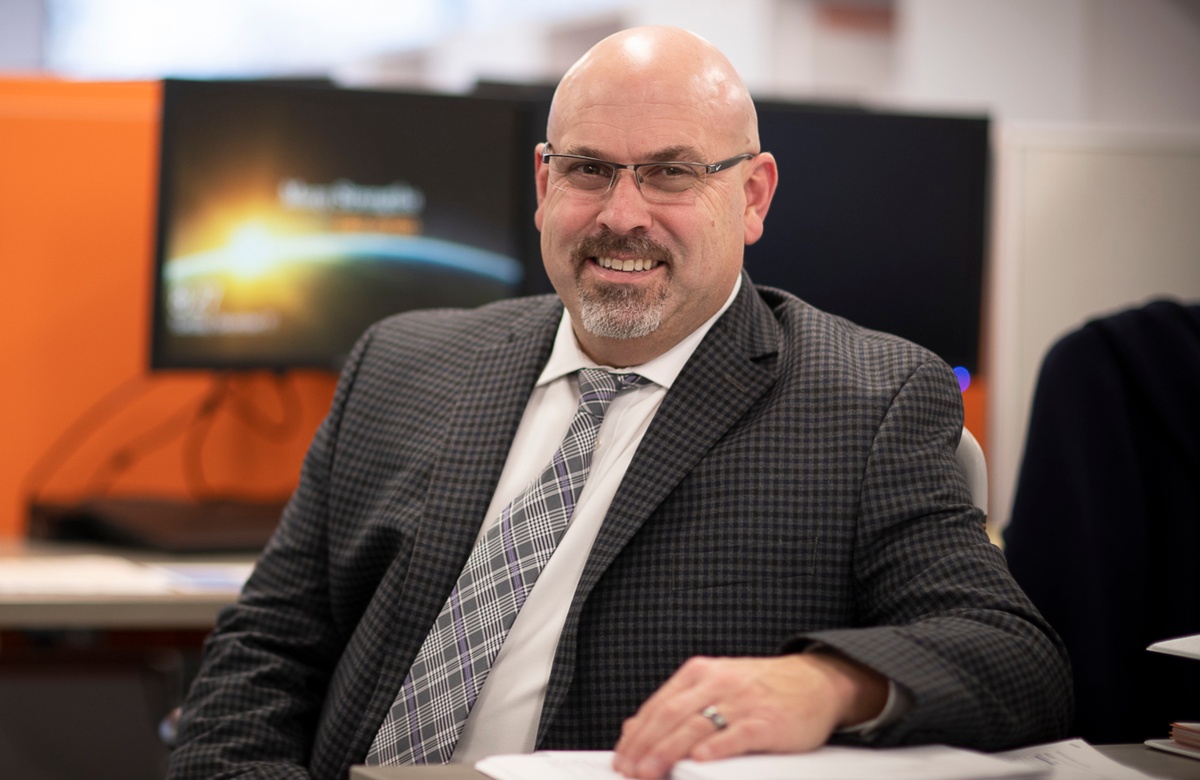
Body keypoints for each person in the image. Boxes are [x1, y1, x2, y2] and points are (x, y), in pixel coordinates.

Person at [167, 26, 1071, 780]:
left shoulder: (866, 401)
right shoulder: (403, 362)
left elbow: (1016, 658)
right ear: (543, 184)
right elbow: (264, 653)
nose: (623, 214)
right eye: (590, 170)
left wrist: (829, 685)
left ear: (752, 196)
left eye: (673, 174)